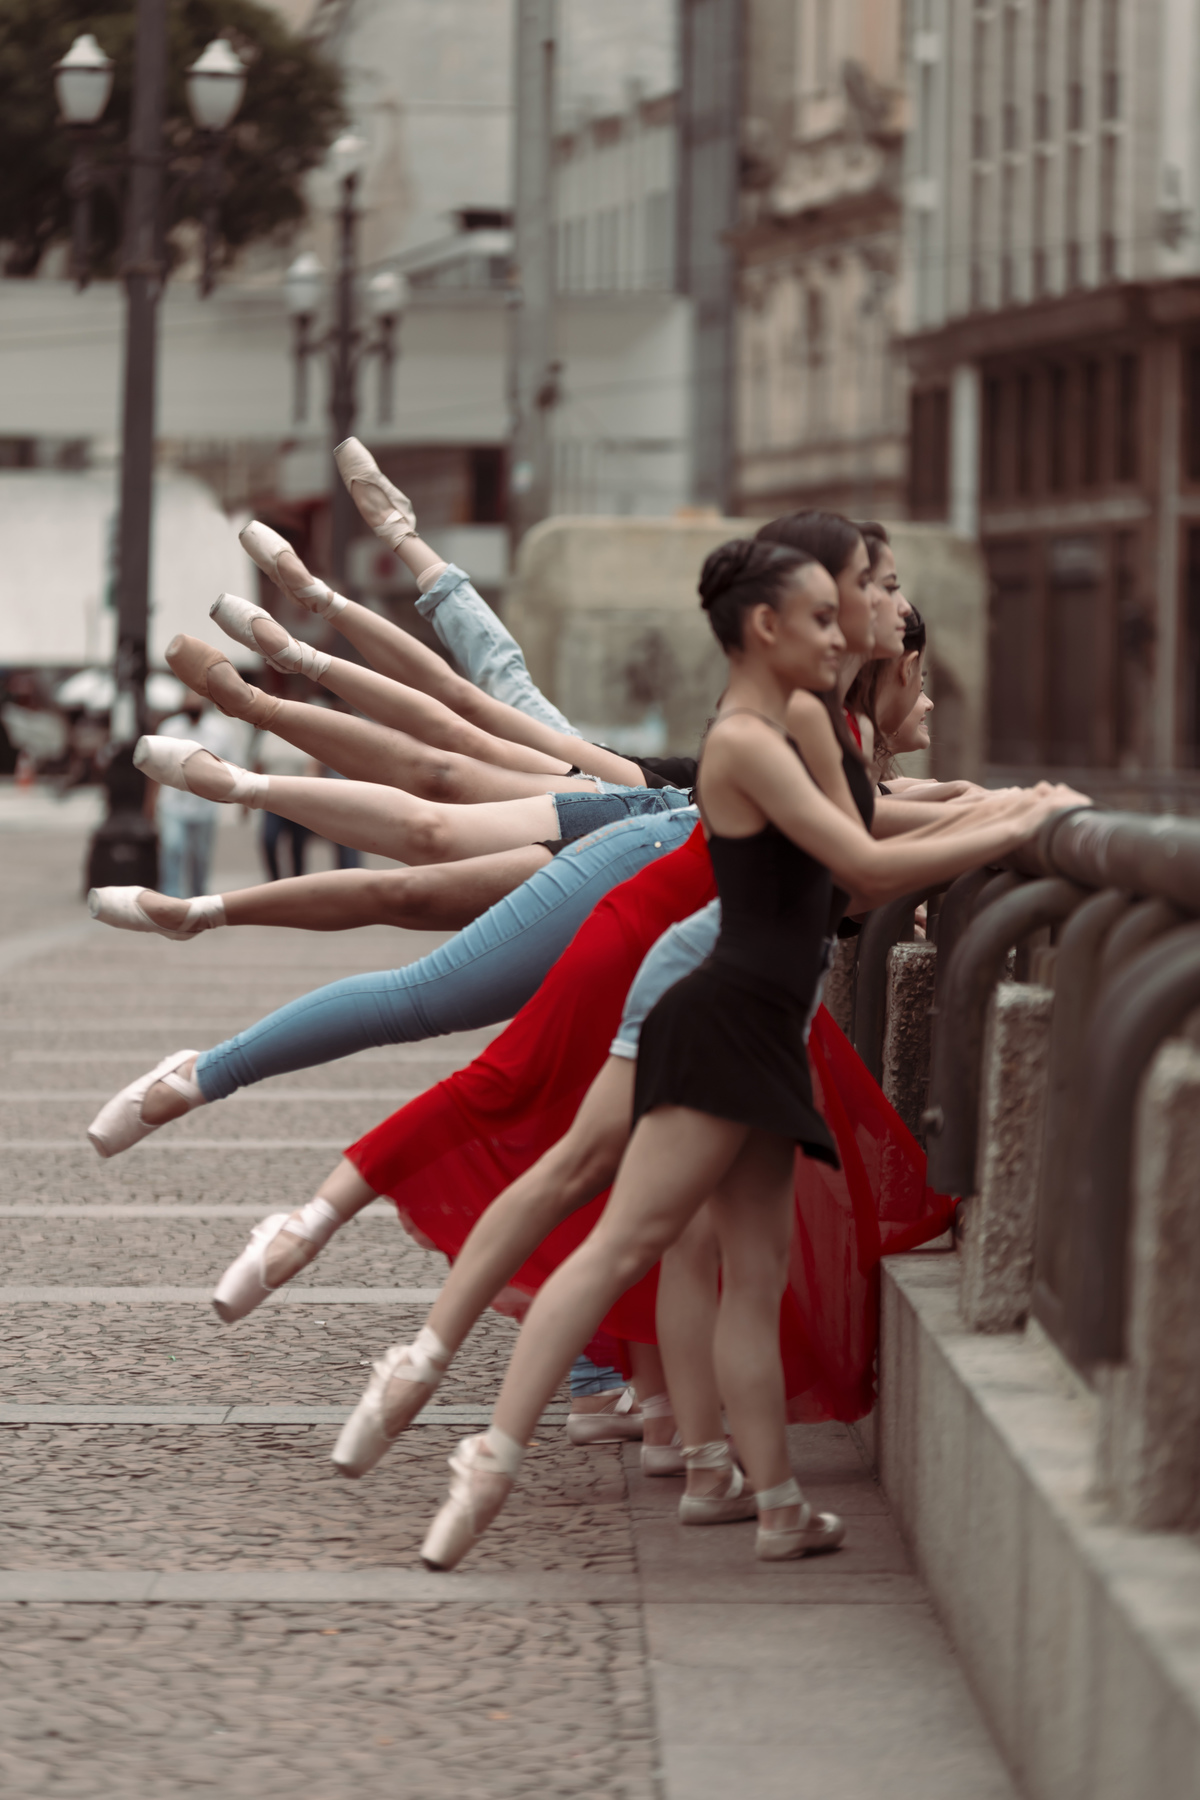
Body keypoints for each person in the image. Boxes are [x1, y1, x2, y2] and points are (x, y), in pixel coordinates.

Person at [407, 537, 1083, 1572]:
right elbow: (860, 865)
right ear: (765, 629)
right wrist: (1013, 823)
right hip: (721, 1018)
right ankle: (488, 1462)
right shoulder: (749, 740)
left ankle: (766, 1499)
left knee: (751, 1273)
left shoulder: (806, 724)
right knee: (622, 1247)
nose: (842, 630)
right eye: (823, 615)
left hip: (761, 1023)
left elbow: (853, 875)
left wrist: (990, 809)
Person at [153, 697, 245, 898]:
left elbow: (233, 766)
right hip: (173, 803)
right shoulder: (169, 729)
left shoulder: (221, 731)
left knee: (200, 856)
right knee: (173, 846)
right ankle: (172, 896)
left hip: (205, 805)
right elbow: (155, 767)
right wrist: (150, 803)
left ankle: (197, 895)